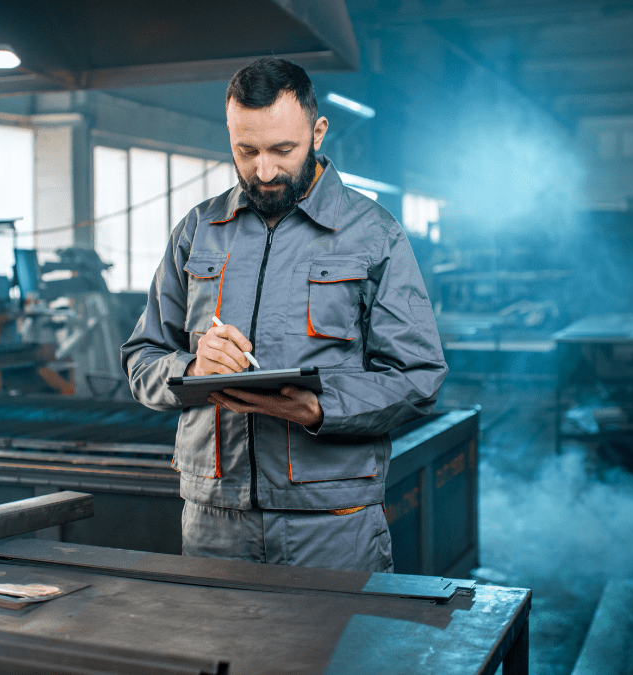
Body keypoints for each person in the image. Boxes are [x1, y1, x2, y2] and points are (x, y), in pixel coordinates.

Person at [121, 57, 447, 573]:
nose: (264, 171)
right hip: (214, 519)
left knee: (336, 655)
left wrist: (321, 409)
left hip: (332, 522)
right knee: (219, 655)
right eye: (245, 151)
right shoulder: (198, 230)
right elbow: (143, 360)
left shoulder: (372, 234)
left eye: (282, 150)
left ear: (318, 132)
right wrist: (191, 368)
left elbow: (419, 376)